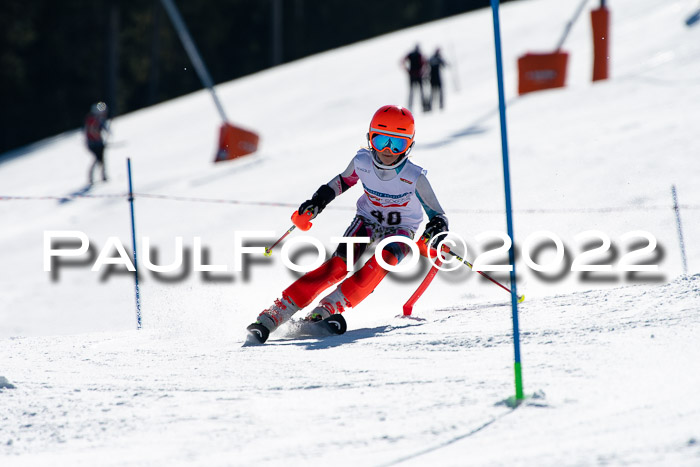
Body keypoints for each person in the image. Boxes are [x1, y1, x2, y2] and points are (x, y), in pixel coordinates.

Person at [247, 105, 449, 343]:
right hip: (367, 220)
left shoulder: (414, 176)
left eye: (397, 144)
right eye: (381, 139)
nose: (387, 150)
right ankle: (276, 312)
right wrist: (316, 202)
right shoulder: (362, 161)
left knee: (383, 261)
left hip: (401, 230)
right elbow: (341, 182)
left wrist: (434, 230)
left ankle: (327, 309)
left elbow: (439, 215)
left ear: (410, 146)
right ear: (370, 138)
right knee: (337, 266)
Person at [84, 102, 110, 184]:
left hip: (98, 142)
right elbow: (92, 130)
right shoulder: (92, 119)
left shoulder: (99, 119)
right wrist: (97, 137)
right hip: (94, 143)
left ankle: (103, 175)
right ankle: (92, 177)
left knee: (101, 159)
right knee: (97, 159)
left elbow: (103, 127)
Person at [403, 45, 427, 112]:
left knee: (412, 92)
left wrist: (407, 70)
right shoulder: (419, 54)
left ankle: (410, 107)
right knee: (420, 91)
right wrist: (422, 72)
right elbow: (424, 63)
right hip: (418, 75)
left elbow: (403, 61)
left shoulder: (410, 54)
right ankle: (423, 106)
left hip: (412, 74)